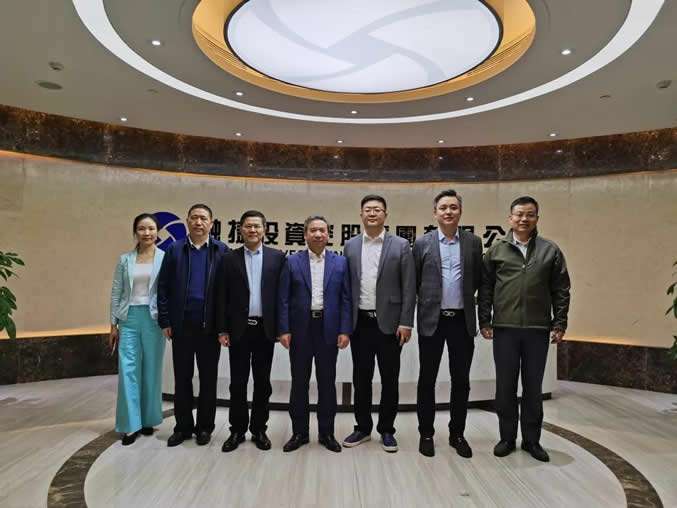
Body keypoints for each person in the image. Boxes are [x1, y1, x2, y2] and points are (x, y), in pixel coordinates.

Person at [478, 196, 571, 462]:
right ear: (510, 218)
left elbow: (561, 289)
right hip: (505, 329)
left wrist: (559, 322)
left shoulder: (550, 251)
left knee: (532, 387)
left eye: (530, 214)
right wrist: (485, 320)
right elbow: (485, 289)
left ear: (537, 219)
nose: (523, 219)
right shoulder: (496, 250)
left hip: (537, 329)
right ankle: (507, 438)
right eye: (519, 214)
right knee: (505, 386)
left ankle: (532, 440)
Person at [341, 195, 415, 453]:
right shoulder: (350, 245)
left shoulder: (401, 245)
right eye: (368, 210)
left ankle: (387, 430)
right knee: (361, 378)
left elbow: (409, 287)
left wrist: (406, 322)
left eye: (377, 209)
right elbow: (346, 288)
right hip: (360, 323)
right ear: (361, 214)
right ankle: (362, 427)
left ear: (386, 214)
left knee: (389, 379)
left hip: (390, 325)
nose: (372, 213)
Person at [413, 189, 483, 458]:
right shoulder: (423, 243)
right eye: (443, 207)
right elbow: (414, 283)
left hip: (462, 322)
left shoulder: (473, 243)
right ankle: (426, 434)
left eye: (453, 207)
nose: (448, 212)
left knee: (461, 381)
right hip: (432, 321)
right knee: (426, 380)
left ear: (460, 211)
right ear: (435, 213)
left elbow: (480, 282)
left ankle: (457, 434)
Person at [278, 215, 352, 453]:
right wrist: (283, 329)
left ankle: (326, 433)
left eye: (322, 230)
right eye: (313, 230)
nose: (318, 234)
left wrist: (345, 329)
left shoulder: (341, 263)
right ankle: (299, 433)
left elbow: (346, 298)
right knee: (299, 382)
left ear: (328, 234)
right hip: (300, 330)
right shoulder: (291, 261)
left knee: (327, 383)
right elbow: (283, 298)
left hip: (328, 329)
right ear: (305, 234)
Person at [157, 204, 229, 447]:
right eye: (194, 218)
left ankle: (205, 428)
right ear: (187, 221)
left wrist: (223, 326)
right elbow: (163, 288)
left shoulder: (221, 250)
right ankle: (183, 427)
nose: (199, 222)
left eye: (203, 218)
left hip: (210, 328)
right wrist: (165, 320)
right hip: (181, 326)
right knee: (182, 379)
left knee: (208, 380)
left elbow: (227, 292)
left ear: (211, 223)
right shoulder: (174, 249)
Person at [215, 210, 286, 452]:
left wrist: (281, 328)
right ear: (241, 229)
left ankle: (259, 429)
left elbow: (281, 297)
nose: (252, 230)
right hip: (238, 330)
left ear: (265, 230)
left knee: (263, 383)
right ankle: (236, 430)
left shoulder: (278, 258)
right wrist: (222, 329)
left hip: (265, 330)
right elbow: (221, 296)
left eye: (257, 226)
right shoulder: (228, 258)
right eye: (248, 226)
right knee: (238, 383)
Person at [109, 213, 166, 445]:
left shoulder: (165, 258)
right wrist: (113, 324)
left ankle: (149, 419)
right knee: (128, 369)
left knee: (152, 369)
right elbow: (116, 292)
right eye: (142, 229)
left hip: (154, 319)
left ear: (157, 232)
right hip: (129, 318)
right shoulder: (125, 260)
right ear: (135, 232)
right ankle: (130, 425)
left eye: (151, 228)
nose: (147, 233)